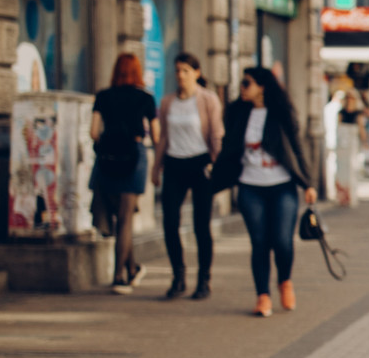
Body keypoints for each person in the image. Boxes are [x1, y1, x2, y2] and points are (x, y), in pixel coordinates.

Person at [212, 66, 316, 317]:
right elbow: (228, 148)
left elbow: (297, 147)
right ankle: (263, 296)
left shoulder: (281, 112)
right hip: (250, 186)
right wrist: (216, 178)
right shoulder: (238, 112)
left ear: (262, 87)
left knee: (282, 241)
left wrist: (308, 182)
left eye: (247, 83)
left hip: (282, 186)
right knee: (259, 243)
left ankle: (285, 281)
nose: (242, 88)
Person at [91, 53, 160, 294]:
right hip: (134, 155)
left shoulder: (103, 96)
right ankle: (119, 276)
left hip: (108, 158)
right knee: (126, 218)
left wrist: (108, 140)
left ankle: (132, 269)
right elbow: (156, 133)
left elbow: (93, 131)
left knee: (117, 218)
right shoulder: (145, 98)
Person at [154, 52, 222, 300]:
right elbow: (163, 137)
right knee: (170, 222)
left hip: (201, 163)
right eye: (177, 71)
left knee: (201, 225)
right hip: (174, 164)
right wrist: (156, 167)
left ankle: (204, 280)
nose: (180, 75)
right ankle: (178, 276)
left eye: (185, 70)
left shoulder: (207, 100)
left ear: (197, 72)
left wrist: (217, 164)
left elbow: (216, 134)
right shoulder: (168, 102)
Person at [335, 77, 368, 207]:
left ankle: (351, 195)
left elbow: (361, 128)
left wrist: (364, 141)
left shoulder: (358, 113)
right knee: (341, 169)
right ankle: (342, 195)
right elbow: (337, 126)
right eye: (347, 98)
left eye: (351, 98)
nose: (349, 100)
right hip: (341, 143)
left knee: (351, 168)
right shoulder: (341, 112)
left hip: (352, 143)